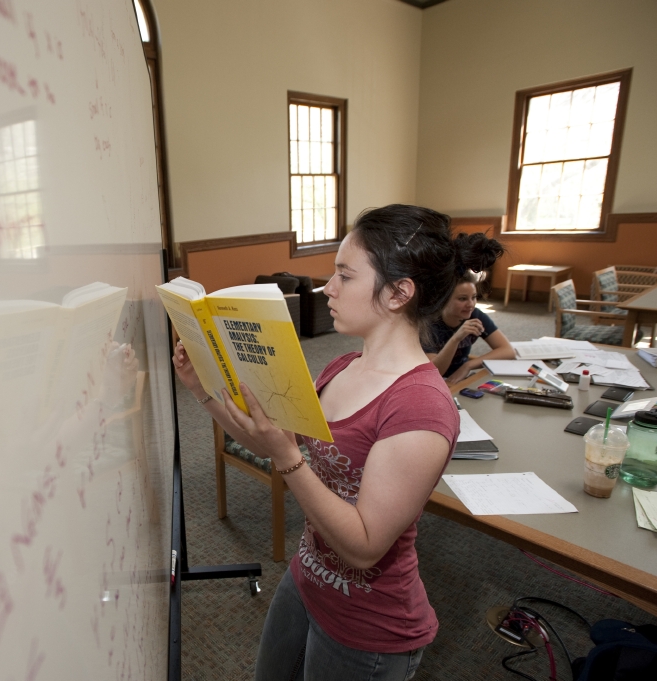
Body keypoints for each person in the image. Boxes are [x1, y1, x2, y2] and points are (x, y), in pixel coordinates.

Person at [173, 204, 467, 681]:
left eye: (344, 276)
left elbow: (365, 547)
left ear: (398, 293)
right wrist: (200, 388)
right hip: (307, 576)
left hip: (370, 627)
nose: (327, 288)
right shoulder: (341, 367)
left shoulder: (421, 407)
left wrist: (290, 458)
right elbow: (270, 440)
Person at [423, 236, 514, 384]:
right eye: (462, 299)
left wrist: (468, 365)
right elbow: (435, 372)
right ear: (443, 300)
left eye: (474, 297)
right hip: (434, 382)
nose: (470, 304)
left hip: (460, 379)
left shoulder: (475, 315)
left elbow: (507, 350)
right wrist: (456, 338)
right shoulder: (429, 324)